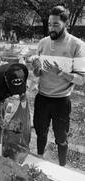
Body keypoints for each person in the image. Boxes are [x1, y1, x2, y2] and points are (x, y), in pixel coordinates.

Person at [31, 6, 85, 166]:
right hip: (42, 98)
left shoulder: (77, 45)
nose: (51, 28)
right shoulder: (42, 43)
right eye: (49, 24)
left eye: (55, 25)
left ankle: (62, 167)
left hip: (61, 101)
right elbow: (38, 74)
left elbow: (81, 80)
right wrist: (36, 69)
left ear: (65, 23)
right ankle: (38, 162)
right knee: (41, 133)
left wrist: (61, 73)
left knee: (61, 138)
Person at [0, 63, 28, 143]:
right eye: (14, 89)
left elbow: (21, 85)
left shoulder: (23, 69)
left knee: (8, 115)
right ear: (6, 80)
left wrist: (23, 97)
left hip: (3, 91)